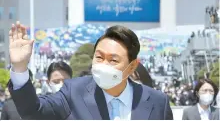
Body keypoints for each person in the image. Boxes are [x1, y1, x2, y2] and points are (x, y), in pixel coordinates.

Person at [7, 21, 173, 120]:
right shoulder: (74, 92)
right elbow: (33, 111)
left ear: (132, 67)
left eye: (113, 60)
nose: (103, 65)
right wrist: (20, 67)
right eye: (99, 57)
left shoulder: (158, 102)